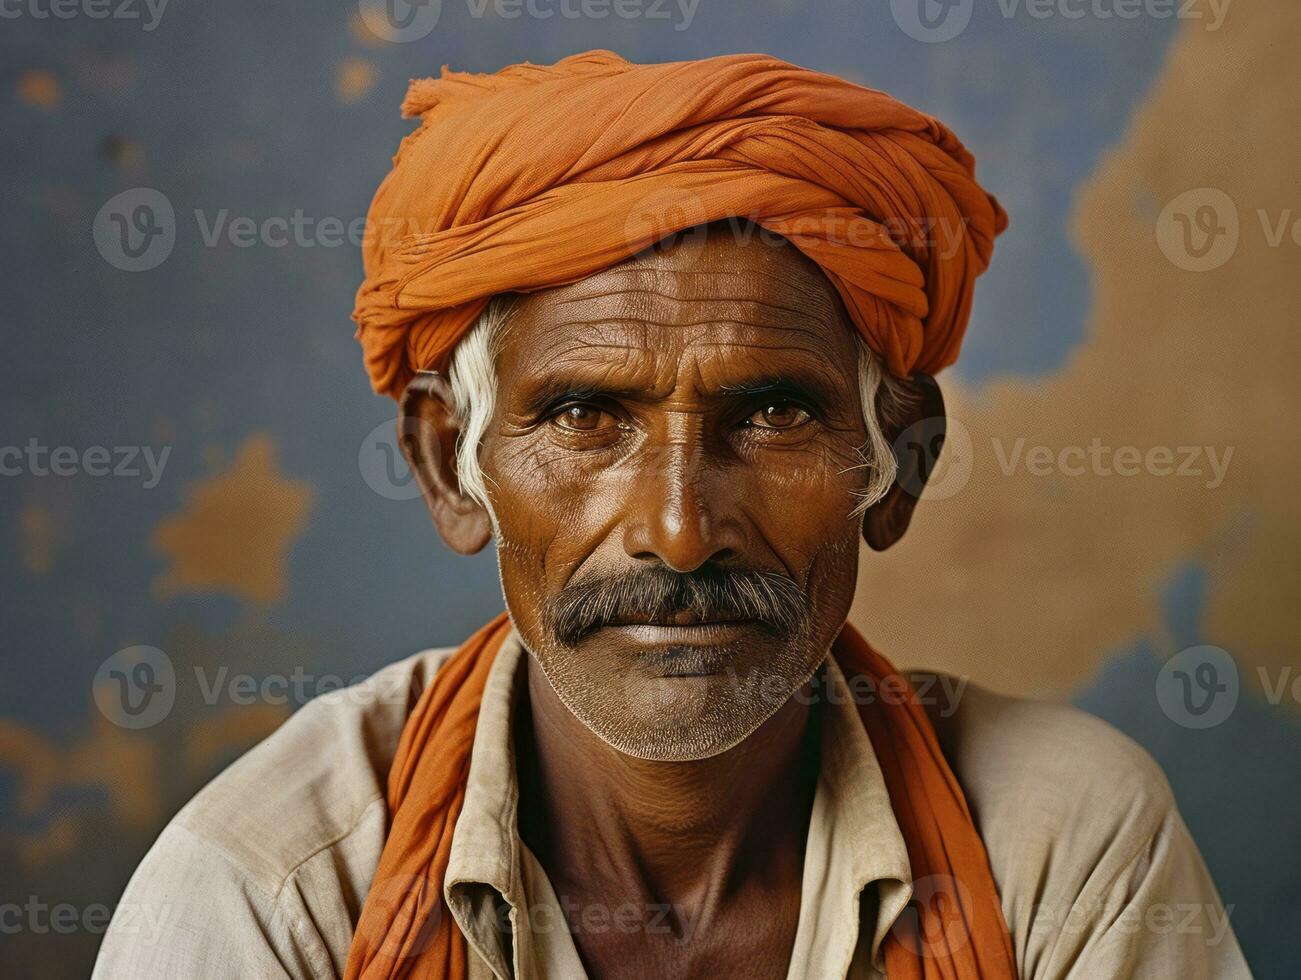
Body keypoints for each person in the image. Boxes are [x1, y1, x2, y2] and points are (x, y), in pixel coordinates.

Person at [94, 51, 1248, 979]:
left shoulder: (1058, 849)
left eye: (773, 413)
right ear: (450, 467)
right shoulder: (275, 887)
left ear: (894, 464)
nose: (679, 530)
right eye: (587, 416)